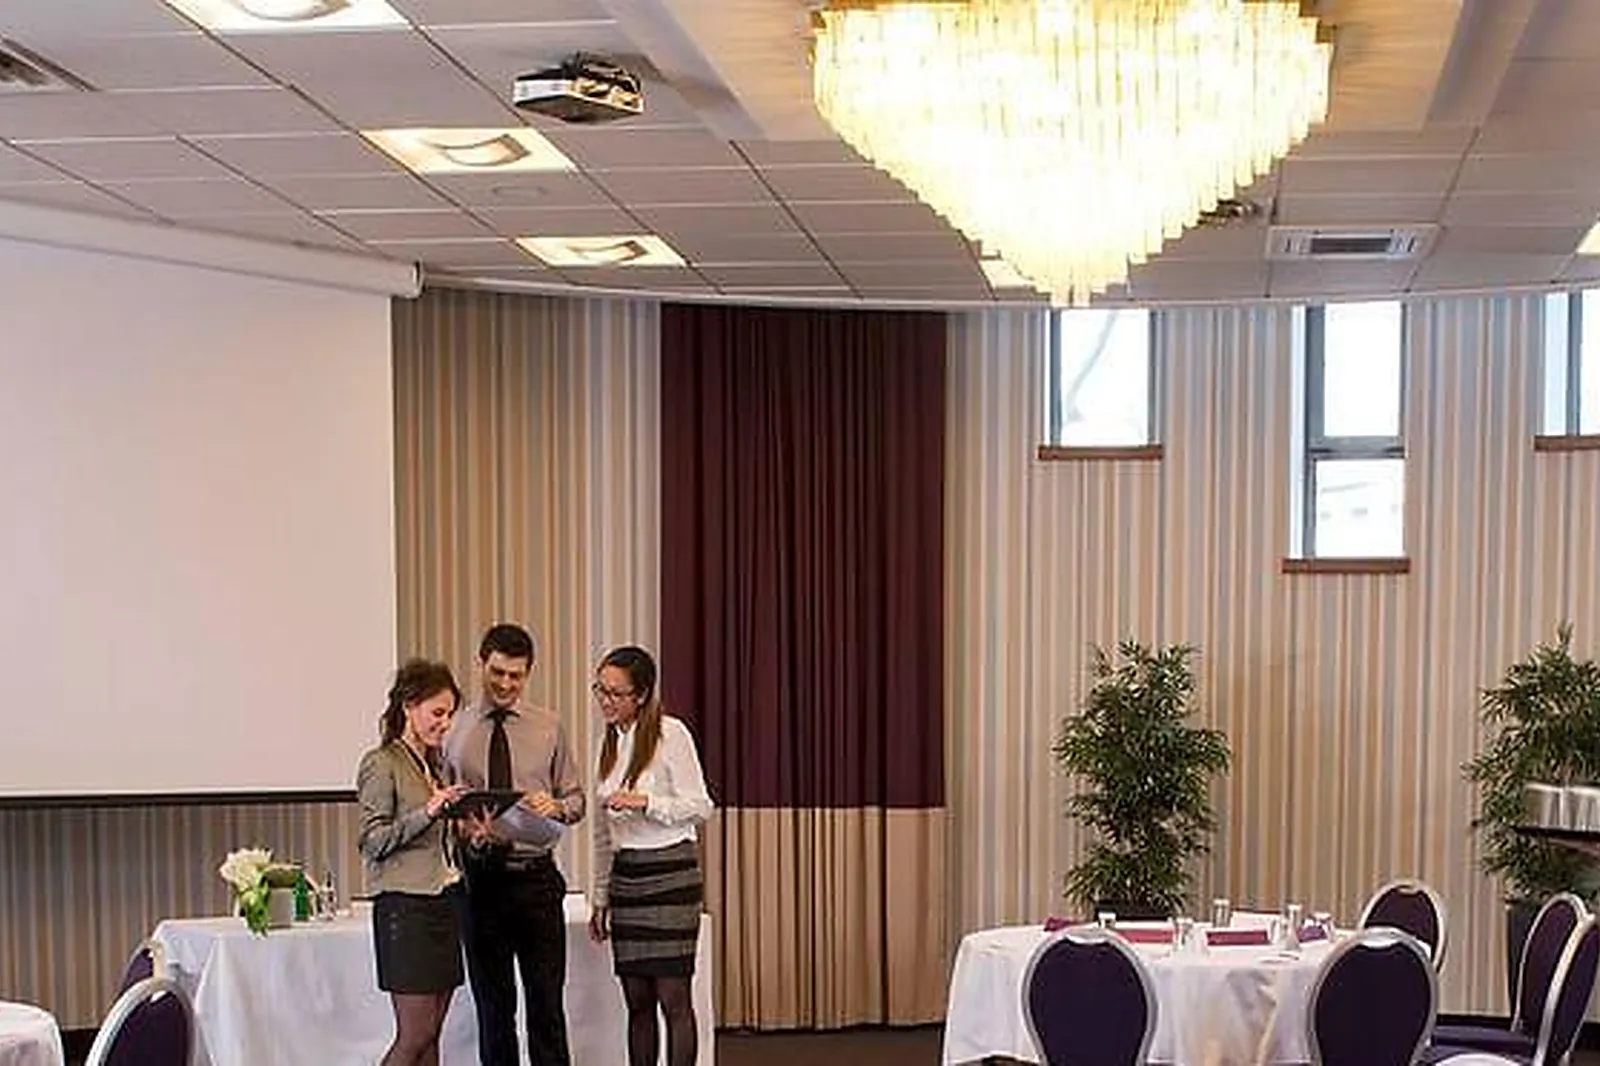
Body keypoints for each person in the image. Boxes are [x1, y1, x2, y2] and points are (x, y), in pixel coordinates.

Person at [442, 622, 586, 1066]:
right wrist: (466, 830)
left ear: (529, 673)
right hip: (481, 885)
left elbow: (577, 801)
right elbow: (444, 809)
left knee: (546, 1007)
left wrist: (556, 808)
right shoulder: (454, 731)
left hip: (537, 883)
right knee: (494, 1011)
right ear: (481, 663)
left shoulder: (549, 726)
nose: (505, 684)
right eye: (498, 672)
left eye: (516, 676)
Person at [587, 645, 714, 1066]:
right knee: (637, 999)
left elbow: (701, 806)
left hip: (670, 872)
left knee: (672, 997)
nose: (605, 700)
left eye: (615, 693)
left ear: (640, 694)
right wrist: (600, 896)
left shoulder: (670, 733)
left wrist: (646, 802)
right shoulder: (607, 746)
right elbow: (604, 834)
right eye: (600, 690)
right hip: (628, 879)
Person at [355, 658, 471, 1066]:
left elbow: (433, 838)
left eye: (450, 714)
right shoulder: (381, 762)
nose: (446, 723)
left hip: (442, 902)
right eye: (437, 712)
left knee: (433, 1035)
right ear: (409, 706)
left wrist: (470, 831)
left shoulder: (433, 766)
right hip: (405, 909)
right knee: (415, 1033)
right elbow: (372, 841)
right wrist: (430, 811)